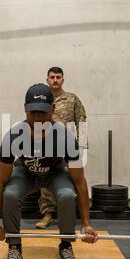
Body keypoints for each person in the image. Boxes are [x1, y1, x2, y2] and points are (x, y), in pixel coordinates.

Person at [0, 83, 97, 259]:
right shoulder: (13, 137)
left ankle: (66, 246)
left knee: (67, 194)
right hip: (26, 173)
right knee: (10, 193)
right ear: (25, 109)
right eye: (33, 113)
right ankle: (14, 246)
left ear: (53, 109)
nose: (38, 118)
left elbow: (80, 182)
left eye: (43, 112)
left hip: (55, 173)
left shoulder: (65, 137)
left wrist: (86, 223)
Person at [36, 67, 87, 229]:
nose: (55, 80)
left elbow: (82, 120)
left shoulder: (72, 99)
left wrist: (82, 145)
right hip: (47, 147)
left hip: (68, 148)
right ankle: (47, 215)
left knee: (73, 181)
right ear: (47, 80)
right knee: (46, 181)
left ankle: (76, 216)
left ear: (63, 80)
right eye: (52, 77)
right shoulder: (42, 100)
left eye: (58, 77)